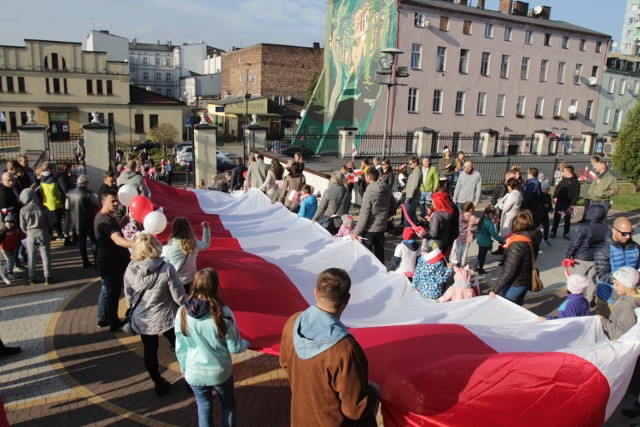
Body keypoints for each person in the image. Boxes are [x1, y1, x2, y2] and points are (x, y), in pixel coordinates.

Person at [279, 268, 380, 426]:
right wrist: (374, 392)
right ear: (347, 299)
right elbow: (354, 410)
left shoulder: (293, 322)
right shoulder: (345, 350)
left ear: (315, 293)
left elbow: (285, 363)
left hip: (300, 419)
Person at [175, 268, 249, 427]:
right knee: (228, 405)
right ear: (215, 286)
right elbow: (234, 347)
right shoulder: (223, 313)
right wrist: (246, 344)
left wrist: (183, 369)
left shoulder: (182, 312)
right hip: (219, 371)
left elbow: (180, 347)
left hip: (194, 372)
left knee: (203, 407)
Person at [124, 234, 186, 397]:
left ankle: (158, 382)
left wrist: (132, 308)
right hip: (166, 317)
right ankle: (188, 378)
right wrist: (191, 307)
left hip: (143, 319)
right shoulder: (166, 268)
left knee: (150, 351)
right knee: (180, 348)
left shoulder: (131, 268)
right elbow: (179, 297)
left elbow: (129, 296)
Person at [94, 189, 134, 332]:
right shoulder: (105, 221)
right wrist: (138, 245)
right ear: (103, 202)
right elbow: (117, 239)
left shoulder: (107, 217)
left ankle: (103, 317)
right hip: (111, 263)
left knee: (106, 290)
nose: (116, 203)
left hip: (110, 261)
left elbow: (113, 232)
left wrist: (122, 223)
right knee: (112, 293)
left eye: (117, 200)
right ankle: (114, 322)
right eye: (113, 201)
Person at [492, 210, 542, 306]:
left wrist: (495, 290)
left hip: (515, 283)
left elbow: (509, 270)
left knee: (506, 311)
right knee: (517, 307)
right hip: (526, 280)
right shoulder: (534, 236)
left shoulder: (517, 244)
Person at [594, 217, 639, 318]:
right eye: (624, 233)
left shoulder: (635, 247)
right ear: (614, 230)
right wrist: (627, 281)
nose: (628, 236)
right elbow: (602, 275)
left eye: (630, 232)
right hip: (609, 299)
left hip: (630, 298)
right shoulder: (603, 249)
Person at [565, 204, 608, 306]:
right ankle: (589, 299)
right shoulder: (605, 228)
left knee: (577, 279)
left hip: (581, 258)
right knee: (592, 280)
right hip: (596, 258)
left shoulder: (584, 227)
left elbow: (576, 243)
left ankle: (575, 300)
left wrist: (569, 255)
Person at [351, 168, 391, 263]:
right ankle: (381, 274)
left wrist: (356, 232)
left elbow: (364, 215)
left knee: (367, 255)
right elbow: (393, 204)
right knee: (380, 254)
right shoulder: (387, 189)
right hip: (381, 227)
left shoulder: (368, 192)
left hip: (369, 229)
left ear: (368, 177)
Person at [162, 218, 211, 295]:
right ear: (188, 228)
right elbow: (206, 244)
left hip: (176, 284)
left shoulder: (167, 248)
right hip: (191, 281)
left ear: (174, 229)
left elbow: (162, 267)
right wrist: (206, 228)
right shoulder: (194, 243)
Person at [19, 188, 55, 285]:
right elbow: (51, 221)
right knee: (45, 256)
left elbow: (22, 226)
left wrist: (27, 231)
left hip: (30, 234)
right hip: (43, 233)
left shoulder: (23, 210)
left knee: (31, 256)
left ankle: (32, 277)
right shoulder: (43, 208)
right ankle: (47, 276)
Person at [65, 175, 99, 268]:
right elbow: (98, 204)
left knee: (82, 242)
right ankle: (96, 261)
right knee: (93, 241)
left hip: (76, 221)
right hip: (89, 220)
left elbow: (67, 207)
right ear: (87, 183)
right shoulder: (89, 194)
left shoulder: (69, 193)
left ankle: (85, 261)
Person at [599, 267, 640, 340]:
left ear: (628, 285)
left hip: (616, 342)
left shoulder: (629, 307)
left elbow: (621, 332)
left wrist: (603, 322)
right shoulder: (631, 296)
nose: (614, 287)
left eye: (617, 284)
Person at [551, 165, 580, 240]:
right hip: (559, 203)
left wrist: (573, 204)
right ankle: (553, 232)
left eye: (563, 171)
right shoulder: (563, 179)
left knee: (567, 218)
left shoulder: (575, 181)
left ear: (568, 172)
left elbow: (576, 194)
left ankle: (566, 233)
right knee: (557, 217)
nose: (562, 172)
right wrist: (555, 196)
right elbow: (557, 188)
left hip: (568, 204)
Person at [38, 162, 65, 240]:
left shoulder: (41, 178)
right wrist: (60, 200)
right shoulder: (52, 179)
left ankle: (50, 234)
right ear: (49, 169)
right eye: (53, 168)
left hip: (45, 202)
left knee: (47, 220)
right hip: (54, 202)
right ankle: (59, 234)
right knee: (57, 220)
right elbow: (55, 192)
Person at [475, 206, 504, 275]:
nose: (494, 216)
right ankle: (480, 269)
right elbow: (493, 234)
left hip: (480, 240)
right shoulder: (489, 222)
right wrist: (501, 239)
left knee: (480, 254)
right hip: (485, 241)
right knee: (482, 255)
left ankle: (477, 267)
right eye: (494, 215)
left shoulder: (482, 220)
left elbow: (477, 230)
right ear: (491, 214)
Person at [450, 202, 479, 267]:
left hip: (460, 234)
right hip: (468, 236)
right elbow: (478, 221)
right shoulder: (472, 217)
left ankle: (458, 260)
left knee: (459, 248)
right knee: (465, 250)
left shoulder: (461, 215)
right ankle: (463, 263)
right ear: (471, 209)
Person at [0, 213, 24, 280]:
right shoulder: (4, 231)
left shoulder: (16, 229)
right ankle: (9, 273)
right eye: (7, 222)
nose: (9, 224)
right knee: (10, 261)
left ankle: (8, 270)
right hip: (6, 248)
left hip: (12, 247)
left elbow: (20, 235)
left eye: (11, 222)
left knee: (10, 260)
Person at [578, 156, 601, 223]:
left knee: (590, 206)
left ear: (593, 161)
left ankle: (588, 219)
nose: (591, 162)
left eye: (591, 161)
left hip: (591, 190)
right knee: (586, 205)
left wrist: (586, 179)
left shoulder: (597, 169)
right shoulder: (593, 169)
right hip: (588, 190)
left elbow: (596, 180)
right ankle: (584, 218)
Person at [403, 156, 422, 228]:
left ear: (415, 163)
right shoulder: (416, 172)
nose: (409, 165)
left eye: (410, 164)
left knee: (407, 216)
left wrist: (409, 196)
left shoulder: (416, 173)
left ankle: (407, 232)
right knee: (412, 215)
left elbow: (414, 186)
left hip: (412, 197)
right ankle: (413, 231)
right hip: (413, 196)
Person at [540, 181, 553, 246]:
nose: (548, 190)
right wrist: (543, 205)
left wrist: (551, 209)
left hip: (545, 213)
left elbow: (550, 203)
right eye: (546, 189)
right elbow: (538, 203)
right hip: (540, 213)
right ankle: (537, 238)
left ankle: (545, 239)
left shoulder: (548, 196)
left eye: (548, 189)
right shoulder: (540, 195)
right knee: (537, 227)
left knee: (547, 226)